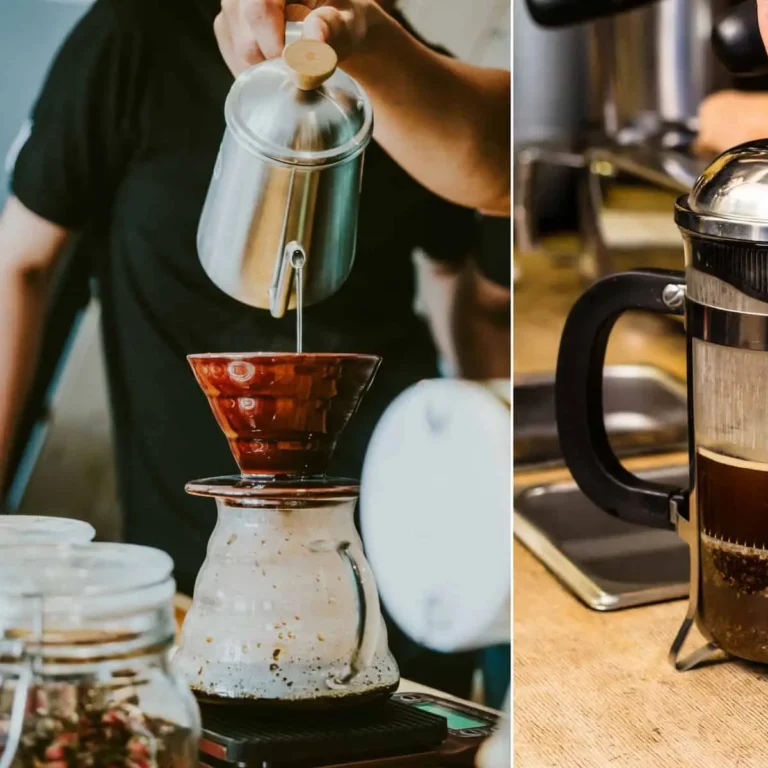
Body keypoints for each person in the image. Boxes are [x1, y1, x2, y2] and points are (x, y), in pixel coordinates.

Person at [0, 0, 509, 699]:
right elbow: (20, 264)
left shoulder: (395, 65)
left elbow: (465, 282)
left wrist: (488, 469)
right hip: (199, 585)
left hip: (393, 578)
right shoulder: (133, 37)